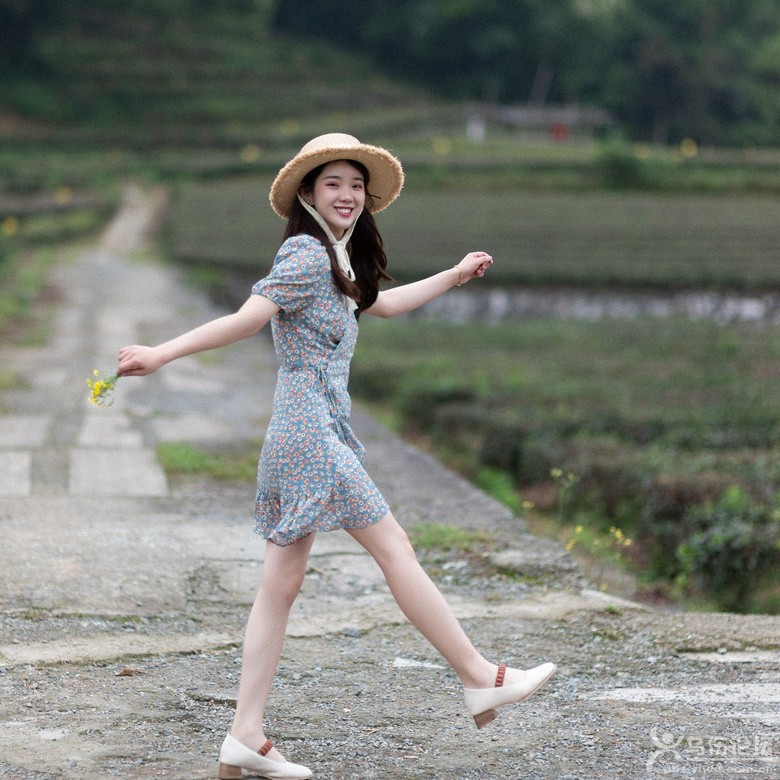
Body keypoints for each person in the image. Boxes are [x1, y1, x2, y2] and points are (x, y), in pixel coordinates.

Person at [117, 133, 556, 780]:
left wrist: (455, 274)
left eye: (356, 185)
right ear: (308, 192)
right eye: (334, 184)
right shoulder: (303, 253)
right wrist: (160, 353)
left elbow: (386, 304)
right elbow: (246, 319)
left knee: (280, 586)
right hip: (309, 433)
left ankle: (244, 734)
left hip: (309, 429)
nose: (348, 194)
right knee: (394, 547)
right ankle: (479, 676)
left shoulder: (338, 257)